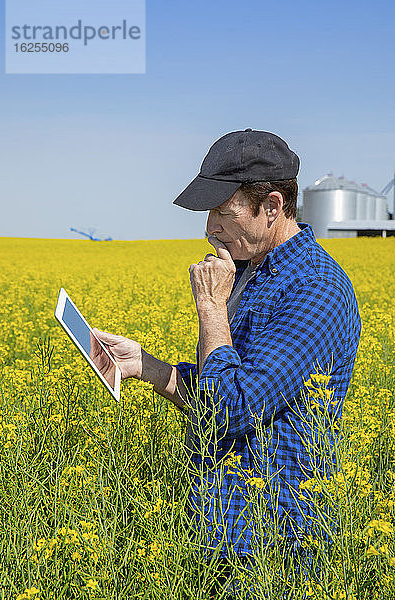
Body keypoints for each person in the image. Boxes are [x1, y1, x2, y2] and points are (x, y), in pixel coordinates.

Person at [93, 129, 361, 597]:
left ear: (273, 206)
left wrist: (213, 311)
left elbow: (231, 409)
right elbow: (229, 388)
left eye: (223, 212)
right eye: (208, 214)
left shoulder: (315, 287)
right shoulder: (254, 271)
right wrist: (146, 367)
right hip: (224, 524)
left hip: (271, 541)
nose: (209, 228)